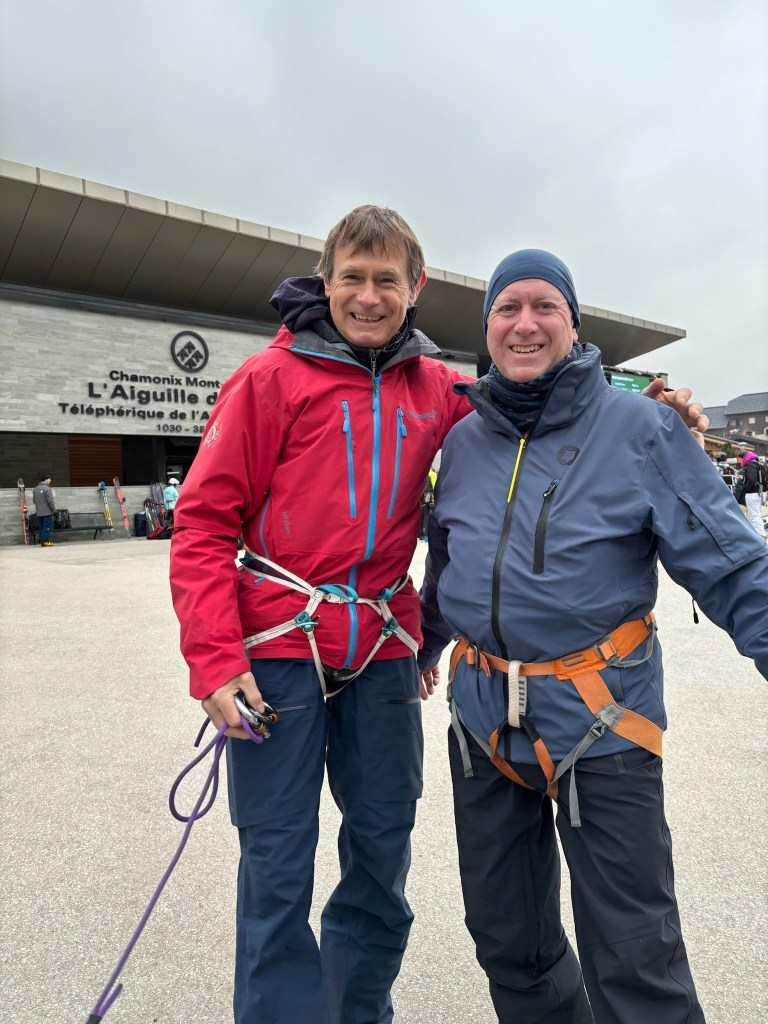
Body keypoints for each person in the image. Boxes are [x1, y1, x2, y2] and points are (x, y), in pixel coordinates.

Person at [169, 210, 707, 1024]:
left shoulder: (437, 392)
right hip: (279, 650)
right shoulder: (267, 381)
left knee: (381, 854)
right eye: (353, 277)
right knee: (276, 862)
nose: (369, 296)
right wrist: (214, 659)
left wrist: (655, 418)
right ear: (326, 281)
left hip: (384, 652)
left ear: (414, 288)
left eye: (387, 280)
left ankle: (359, 1013)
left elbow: (531, 425)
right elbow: (204, 524)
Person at [418, 249, 768, 1024]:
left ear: (573, 324)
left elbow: (734, 564)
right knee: (510, 943)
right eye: (508, 308)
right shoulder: (463, 439)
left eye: (545, 305)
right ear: (487, 327)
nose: (526, 323)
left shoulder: (641, 428)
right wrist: (422, 642)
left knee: (635, 956)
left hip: (603, 725)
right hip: (482, 726)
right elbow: (450, 564)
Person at [735, 451, 765, 539]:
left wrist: (744, 488)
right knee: (754, 515)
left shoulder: (750, 465)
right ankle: (757, 535)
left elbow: (752, 480)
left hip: (752, 494)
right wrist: (744, 478)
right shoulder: (757, 464)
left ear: (744, 458)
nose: (740, 462)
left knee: (754, 515)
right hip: (757, 493)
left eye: (740, 459)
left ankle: (760, 536)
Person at [33, 474, 56, 547]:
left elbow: (34, 501)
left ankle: (42, 540)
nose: (50, 480)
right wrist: (54, 510)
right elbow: (50, 501)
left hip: (39, 512)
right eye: (49, 479)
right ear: (46, 480)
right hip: (47, 512)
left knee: (41, 527)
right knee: (46, 527)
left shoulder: (35, 489)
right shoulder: (47, 489)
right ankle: (45, 541)